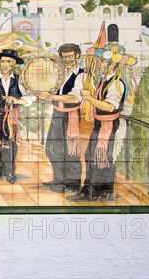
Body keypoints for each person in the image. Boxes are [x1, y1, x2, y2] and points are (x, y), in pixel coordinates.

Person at [67, 44, 127, 202]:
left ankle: (92, 192)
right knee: (97, 156)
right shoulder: (104, 80)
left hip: (108, 125)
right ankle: (103, 190)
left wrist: (88, 98)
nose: (97, 63)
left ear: (112, 63)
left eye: (101, 60)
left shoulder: (116, 83)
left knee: (99, 156)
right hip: (102, 124)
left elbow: (109, 106)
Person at [0, 49, 35, 184]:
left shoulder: (20, 80)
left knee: (10, 144)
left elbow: (30, 96)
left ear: (13, 64)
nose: (4, 64)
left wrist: (16, 100)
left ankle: (9, 171)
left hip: (11, 118)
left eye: (8, 62)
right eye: (2, 61)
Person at [37, 43, 85, 193]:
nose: (68, 59)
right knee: (52, 149)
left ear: (77, 56)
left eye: (71, 56)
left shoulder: (82, 75)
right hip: (57, 114)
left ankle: (72, 184)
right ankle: (59, 180)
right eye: (65, 57)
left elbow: (75, 98)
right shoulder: (60, 73)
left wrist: (50, 96)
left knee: (71, 151)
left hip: (71, 116)